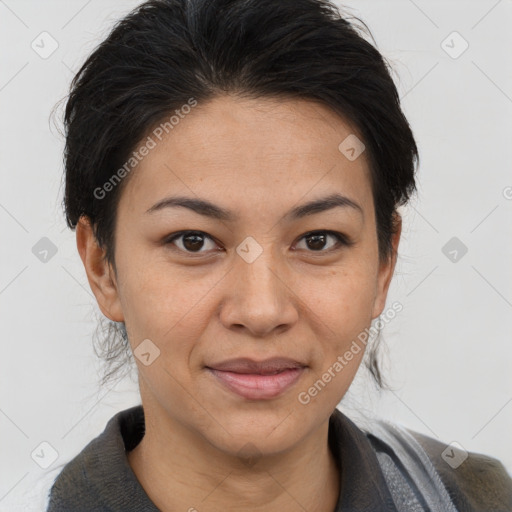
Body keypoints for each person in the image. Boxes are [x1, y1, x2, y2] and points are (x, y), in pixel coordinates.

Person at [42, 0, 512, 510]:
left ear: (383, 264)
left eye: (318, 240)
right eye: (193, 241)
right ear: (102, 267)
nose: (262, 311)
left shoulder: (474, 498)